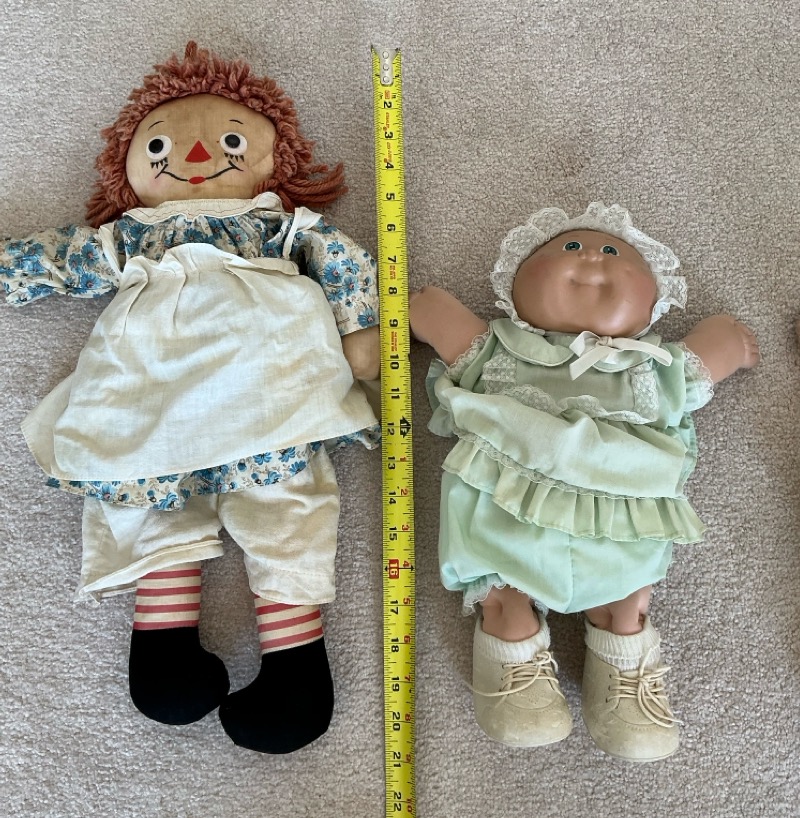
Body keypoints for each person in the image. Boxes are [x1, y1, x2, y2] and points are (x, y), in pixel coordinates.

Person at [0, 42, 380, 754]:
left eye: (233, 143)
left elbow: (345, 264)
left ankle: (295, 668)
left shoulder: (279, 227)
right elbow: (57, 259)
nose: (199, 155)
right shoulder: (128, 237)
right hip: (155, 393)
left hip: (271, 392)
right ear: (127, 168)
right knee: (155, 496)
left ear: (275, 160)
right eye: (162, 147)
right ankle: (165, 649)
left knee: (285, 507)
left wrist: (361, 332)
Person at [409, 202, 759, 762]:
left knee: (628, 587)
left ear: (652, 303)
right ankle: (511, 632)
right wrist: (432, 310)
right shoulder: (502, 349)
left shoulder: (651, 365)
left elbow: (696, 367)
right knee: (502, 576)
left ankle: (623, 650)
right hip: (511, 500)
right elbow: (451, 330)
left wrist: (723, 342)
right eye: (570, 247)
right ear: (516, 286)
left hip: (620, 506)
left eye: (614, 252)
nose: (593, 257)